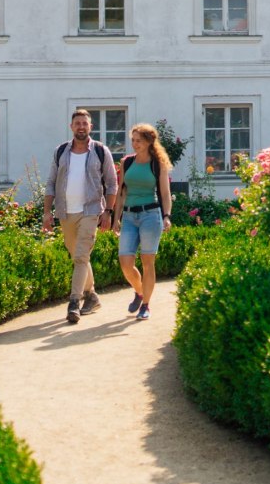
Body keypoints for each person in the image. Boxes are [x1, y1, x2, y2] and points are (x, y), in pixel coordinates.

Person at [42, 108, 118, 325]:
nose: (81, 127)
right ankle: (92, 295)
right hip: (65, 212)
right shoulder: (61, 151)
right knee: (78, 256)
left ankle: (74, 302)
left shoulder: (101, 151)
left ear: (90, 127)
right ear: (71, 127)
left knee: (81, 256)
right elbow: (50, 182)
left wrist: (108, 212)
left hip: (91, 211)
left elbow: (112, 183)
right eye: (78, 124)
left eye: (85, 123)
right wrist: (47, 212)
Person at [116, 122, 174, 322]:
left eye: (138, 141)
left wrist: (167, 216)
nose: (135, 144)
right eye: (133, 140)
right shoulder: (127, 162)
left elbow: (165, 194)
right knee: (125, 263)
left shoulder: (158, 164)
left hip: (151, 215)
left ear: (149, 142)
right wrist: (116, 217)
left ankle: (146, 305)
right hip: (129, 216)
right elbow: (121, 192)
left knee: (147, 262)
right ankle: (139, 292)